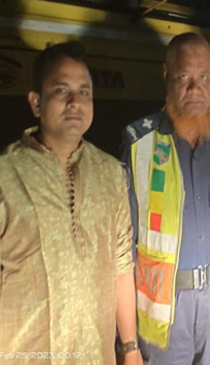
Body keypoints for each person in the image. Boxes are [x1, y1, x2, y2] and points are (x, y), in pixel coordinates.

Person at [122, 33, 210, 365]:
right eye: (185, 76)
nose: (195, 88)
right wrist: (127, 341)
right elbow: (123, 248)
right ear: (167, 74)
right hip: (167, 311)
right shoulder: (139, 144)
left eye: (204, 78)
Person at [0, 41, 141, 364]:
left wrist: (130, 346)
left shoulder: (110, 173)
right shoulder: (6, 174)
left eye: (84, 92)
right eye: (62, 90)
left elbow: (121, 266)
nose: (75, 101)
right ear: (36, 102)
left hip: (95, 354)